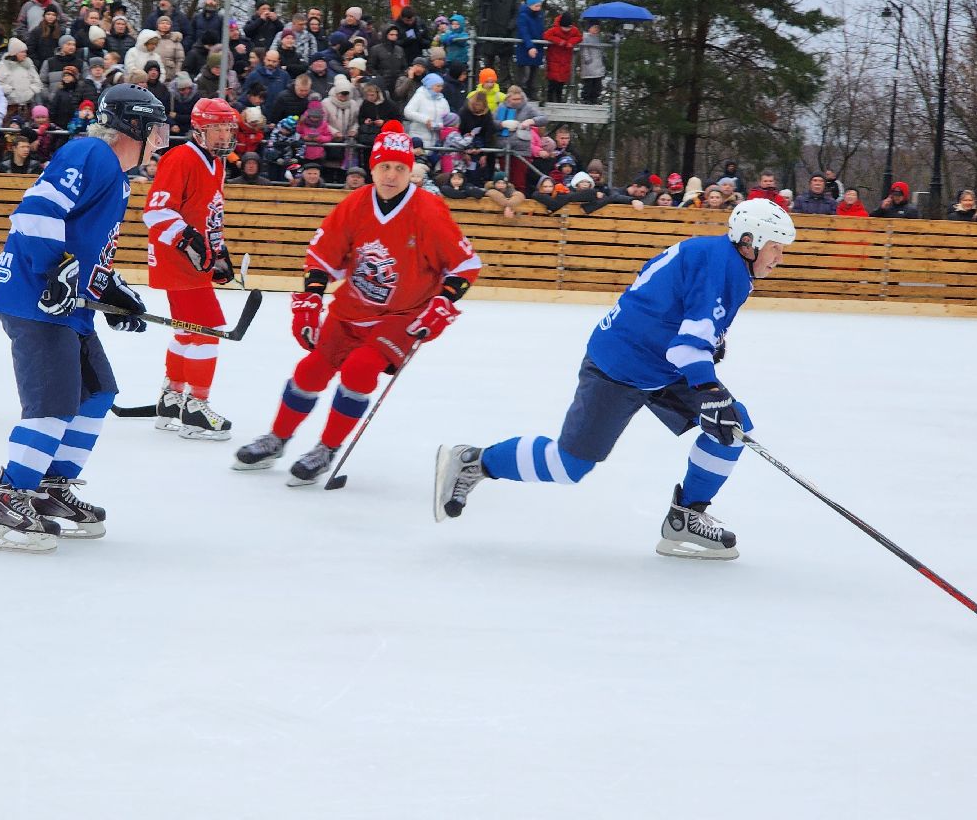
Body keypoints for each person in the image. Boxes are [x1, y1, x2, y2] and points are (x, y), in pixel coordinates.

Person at [434, 199, 797, 559]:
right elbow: (687, 347)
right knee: (569, 465)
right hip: (620, 366)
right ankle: (475, 461)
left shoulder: (718, 255)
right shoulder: (725, 267)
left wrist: (709, 350)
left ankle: (685, 517)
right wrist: (708, 388)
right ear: (749, 242)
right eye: (775, 248)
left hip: (660, 365)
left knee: (731, 428)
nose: (779, 258)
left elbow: (666, 299)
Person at [233, 120, 481, 485]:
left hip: (402, 315)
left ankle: (326, 448)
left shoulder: (428, 210)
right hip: (351, 308)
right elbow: (322, 255)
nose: (392, 175)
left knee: (360, 370)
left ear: (410, 170)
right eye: (385, 167)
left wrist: (442, 304)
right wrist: (311, 300)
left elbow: (465, 265)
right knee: (311, 369)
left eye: (400, 168)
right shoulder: (356, 204)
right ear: (372, 168)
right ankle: (278, 438)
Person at [0, 83, 166, 552]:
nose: (164, 137)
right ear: (135, 125)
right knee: (53, 404)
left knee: (96, 393)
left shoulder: (119, 179)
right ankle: (9, 499)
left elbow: (87, 248)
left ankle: (48, 488)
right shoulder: (90, 153)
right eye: (158, 126)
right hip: (35, 297)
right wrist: (53, 272)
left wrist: (113, 291)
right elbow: (36, 213)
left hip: (67, 304)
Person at [142, 97, 240, 440]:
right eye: (218, 128)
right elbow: (155, 212)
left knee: (187, 330)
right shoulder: (180, 158)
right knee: (208, 330)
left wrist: (218, 250)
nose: (225, 135)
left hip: (193, 260)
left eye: (228, 128)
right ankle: (196, 407)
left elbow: (207, 213)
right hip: (177, 259)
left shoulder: (217, 163)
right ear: (199, 129)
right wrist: (189, 241)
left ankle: (172, 399)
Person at [578, 22, 608, 102]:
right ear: (589, 28)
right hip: (589, 65)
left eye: (597, 28)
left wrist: (604, 56)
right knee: (588, 83)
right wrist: (587, 59)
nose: (596, 29)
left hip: (598, 64)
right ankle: (586, 98)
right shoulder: (586, 37)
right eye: (594, 27)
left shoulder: (598, 38)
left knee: (597, 84)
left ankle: (594, 98)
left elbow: (602, 49)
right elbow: (584, 50)